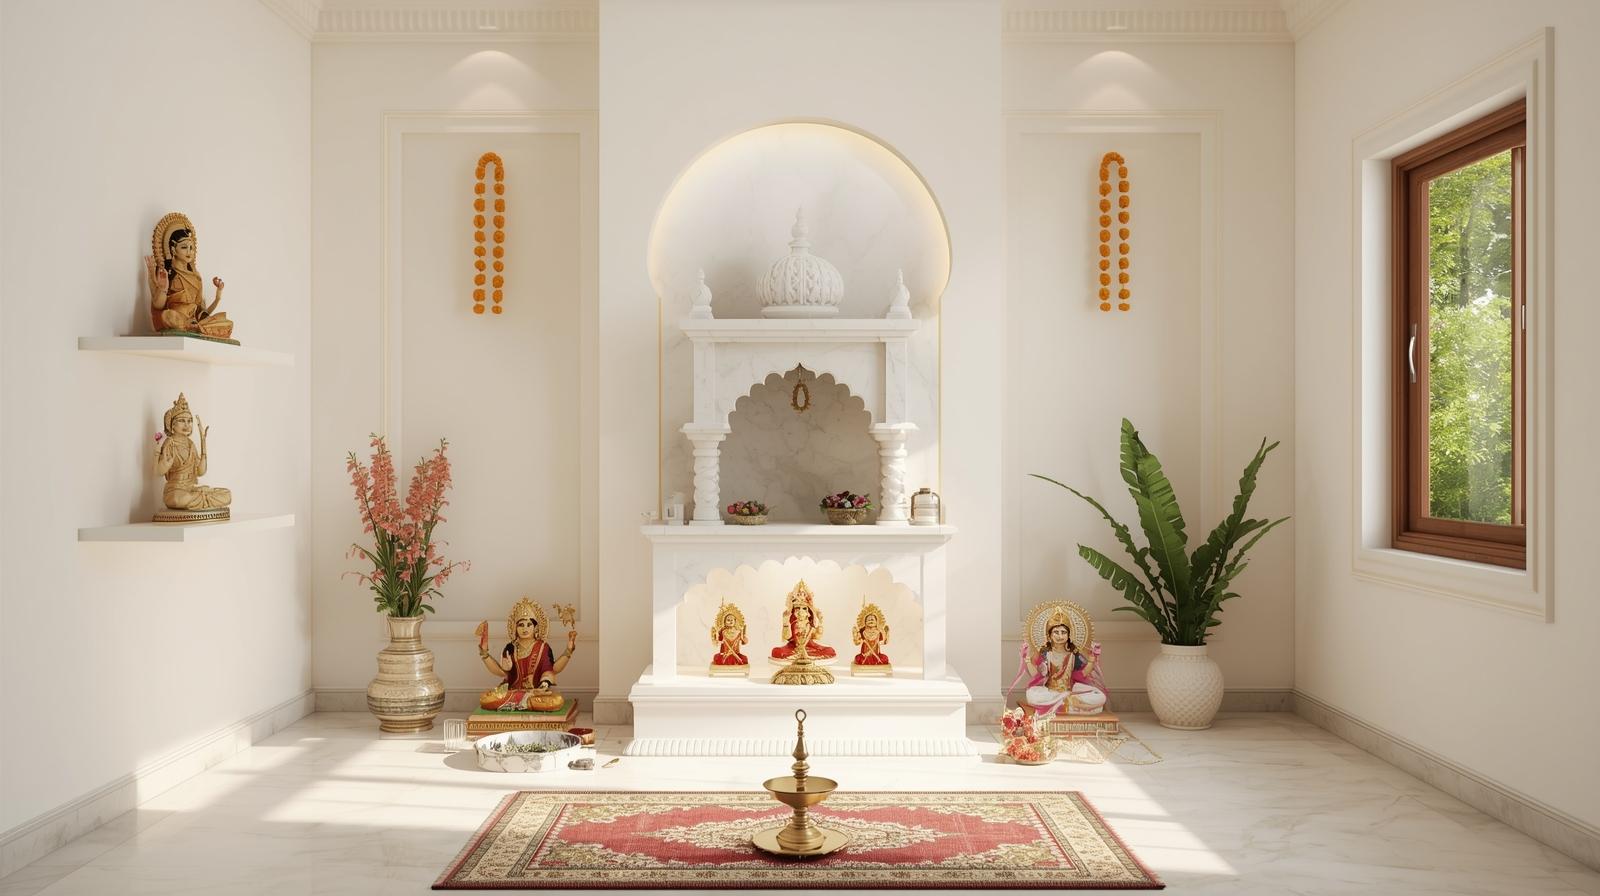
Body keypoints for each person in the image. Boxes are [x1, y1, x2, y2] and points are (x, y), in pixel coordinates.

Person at [475, 598, 575, 711]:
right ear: (515, 628)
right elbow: (500, 672)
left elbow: (549, 670)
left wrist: (544, 684)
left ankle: (521, 703)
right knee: (486, 699)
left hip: (535, 692)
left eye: (529, 624)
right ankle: (524, 703)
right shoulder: (510, 648)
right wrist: (485, 653)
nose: (525, 628)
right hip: (513, 692)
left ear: (535, 627)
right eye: (521, 625)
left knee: (556, 700)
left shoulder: (543, 647)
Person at [147, 213, 234, 340]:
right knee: (168, 316)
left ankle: (195, 328)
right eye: (184, 247)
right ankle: (190, 327)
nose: (189, 252)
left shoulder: (196, 277)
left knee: (227, 323)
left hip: (194, 321)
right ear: (173, 249)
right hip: (177, 318)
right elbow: (158, 306)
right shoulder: (166, 273)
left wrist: (218, 297)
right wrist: (163, 288)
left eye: (191, 248)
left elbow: (202, 312)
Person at [155, 393, 231, 511]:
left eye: (190, 421)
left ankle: (201, 499)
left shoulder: (190, 444)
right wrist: (164, 465)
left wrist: (203, 442)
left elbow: (200, 472)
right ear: (172, 425)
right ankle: (203, 500)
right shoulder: (169, 443)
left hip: (192, 488)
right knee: (178, 499)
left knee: (227, 495)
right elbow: (158, 472)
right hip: (176, 490)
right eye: (182, 421)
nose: (187, 425)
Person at [1021, 613, 1106, 715]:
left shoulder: (1074, 654)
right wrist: (1027, 660)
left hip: (1070, 690)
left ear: (1069, 635)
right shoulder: (1045, 654)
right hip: (1050, 692)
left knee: (1100, 696)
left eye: (1063, 632)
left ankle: (1063, 704)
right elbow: (1037, 675)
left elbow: (1082, 674)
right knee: (1032, 695)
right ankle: (1069, 705)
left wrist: (1092, 661)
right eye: (1056, 632)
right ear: (1049, 635)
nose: (1060, 636)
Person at [770, 580, 836, 660]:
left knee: (830, 651)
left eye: (804, 608)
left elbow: (816, 636)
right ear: (794, 611)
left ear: (808, 612)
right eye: (797, 608)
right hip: (793, 648)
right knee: (777, 652)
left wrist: (820, 626)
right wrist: (786, 622)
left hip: (809, 647)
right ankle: (801, 656)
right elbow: (787, 637)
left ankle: (803, 656)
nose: (801, 611)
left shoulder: (809, 624)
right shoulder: (792, 623)